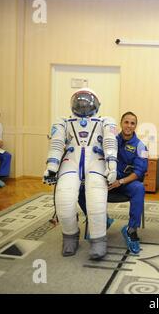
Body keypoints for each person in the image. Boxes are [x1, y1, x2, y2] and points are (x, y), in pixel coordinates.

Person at [43, 88, 118, 260]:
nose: (83, 105)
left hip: (96, 161)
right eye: (80, 101)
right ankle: (70, 236)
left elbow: (109, 143)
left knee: (96, 202)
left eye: (87, 102)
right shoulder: (63, 121)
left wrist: (112, 165)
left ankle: (98, 240)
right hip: (71, 161)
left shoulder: (105, 121)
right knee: (64, 200)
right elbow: (56, 144)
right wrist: (52, 167)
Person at [108, 112, 148, 254]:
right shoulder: (110, 140)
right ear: (121, 123)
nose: (129, 126)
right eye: (126, 122)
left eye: (132, 123)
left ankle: (131, 230)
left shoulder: (141, 147)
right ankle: (102, 219)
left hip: (126, 184)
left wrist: (120, 182)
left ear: (135, 126)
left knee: (139, 188)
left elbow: (139, 172)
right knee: (83, 189)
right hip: (108, 182)